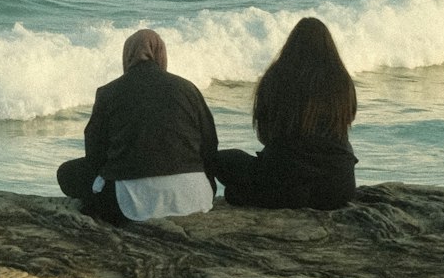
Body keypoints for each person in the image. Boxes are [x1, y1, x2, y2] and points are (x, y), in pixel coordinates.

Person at [57, 28, 218, 223]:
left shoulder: (108, 92)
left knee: (67, 173)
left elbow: (94, 153)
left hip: (131, 203)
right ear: (160, 54)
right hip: (195, 197)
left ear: (127, 55)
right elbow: (210, 143)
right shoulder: (188, 88)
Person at [215, 17, 357, 210]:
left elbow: (265, 136)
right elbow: (347, 121)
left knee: (222, 160)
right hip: (339, 187)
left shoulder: (276, 77)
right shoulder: (342, 81)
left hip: (284, 181)